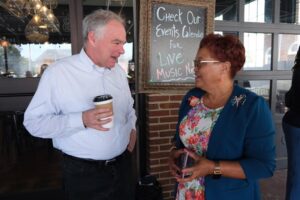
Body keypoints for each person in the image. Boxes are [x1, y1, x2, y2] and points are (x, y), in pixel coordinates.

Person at [23, 9, 137, 200]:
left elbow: (129, 108)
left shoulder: (117, 71)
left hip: (123, 167)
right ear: (93, 38)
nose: (122, 50)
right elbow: (33, 123)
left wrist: (131, 130)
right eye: (116, 42)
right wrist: (82, 119)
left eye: (123, 43)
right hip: (84, 175)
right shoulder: (58, 73)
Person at [168, 33, 276, 200]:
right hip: (186, 192)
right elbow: (179, 142)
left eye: (200, 63)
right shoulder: (192, 98)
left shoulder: (252, 107)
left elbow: (264, 166)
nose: (195, 68)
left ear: (224, 67)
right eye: (195, 63)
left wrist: (213, 167)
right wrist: (174, 154)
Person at [282, 46, 300, 200]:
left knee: (295, 171)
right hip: (295, 124)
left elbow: (289, 99)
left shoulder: (298, 68)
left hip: (292, 123)